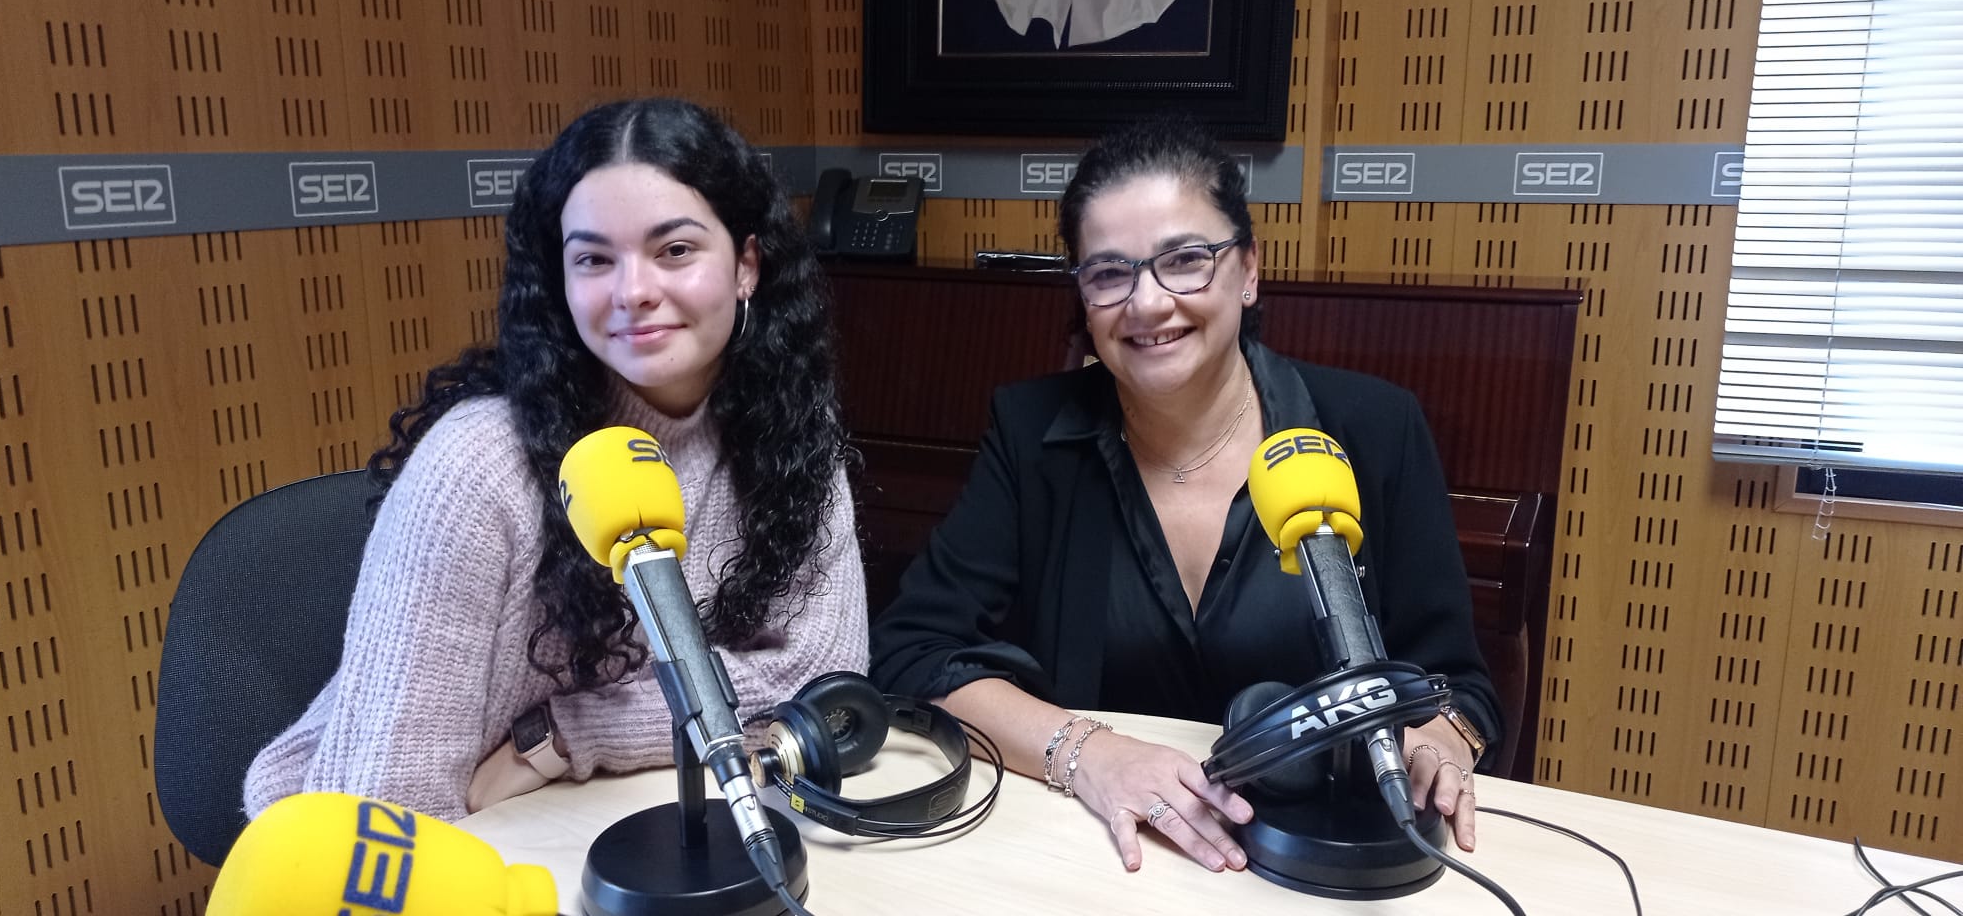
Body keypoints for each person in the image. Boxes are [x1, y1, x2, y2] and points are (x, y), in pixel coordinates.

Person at [869, 116, 1500, 873]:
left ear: (1249, 271)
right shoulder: (1032, 430)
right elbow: (912, 651)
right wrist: (1089, 755)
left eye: (1186, 260)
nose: (1147, 302)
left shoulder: (1375, 427)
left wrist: (1436, 742)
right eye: (1109, 273)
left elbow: (1456, 685)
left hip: (1318, 866)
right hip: (1109, 855)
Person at [243, 98, 868, 822]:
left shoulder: (791, 428)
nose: (634, 292)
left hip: (592, 806)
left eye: (675, 251)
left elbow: (827, 678)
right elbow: (382, 804)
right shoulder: (476, 467)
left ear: (746, 266)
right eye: (595, 259)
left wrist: (563, 734)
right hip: (408, 841)